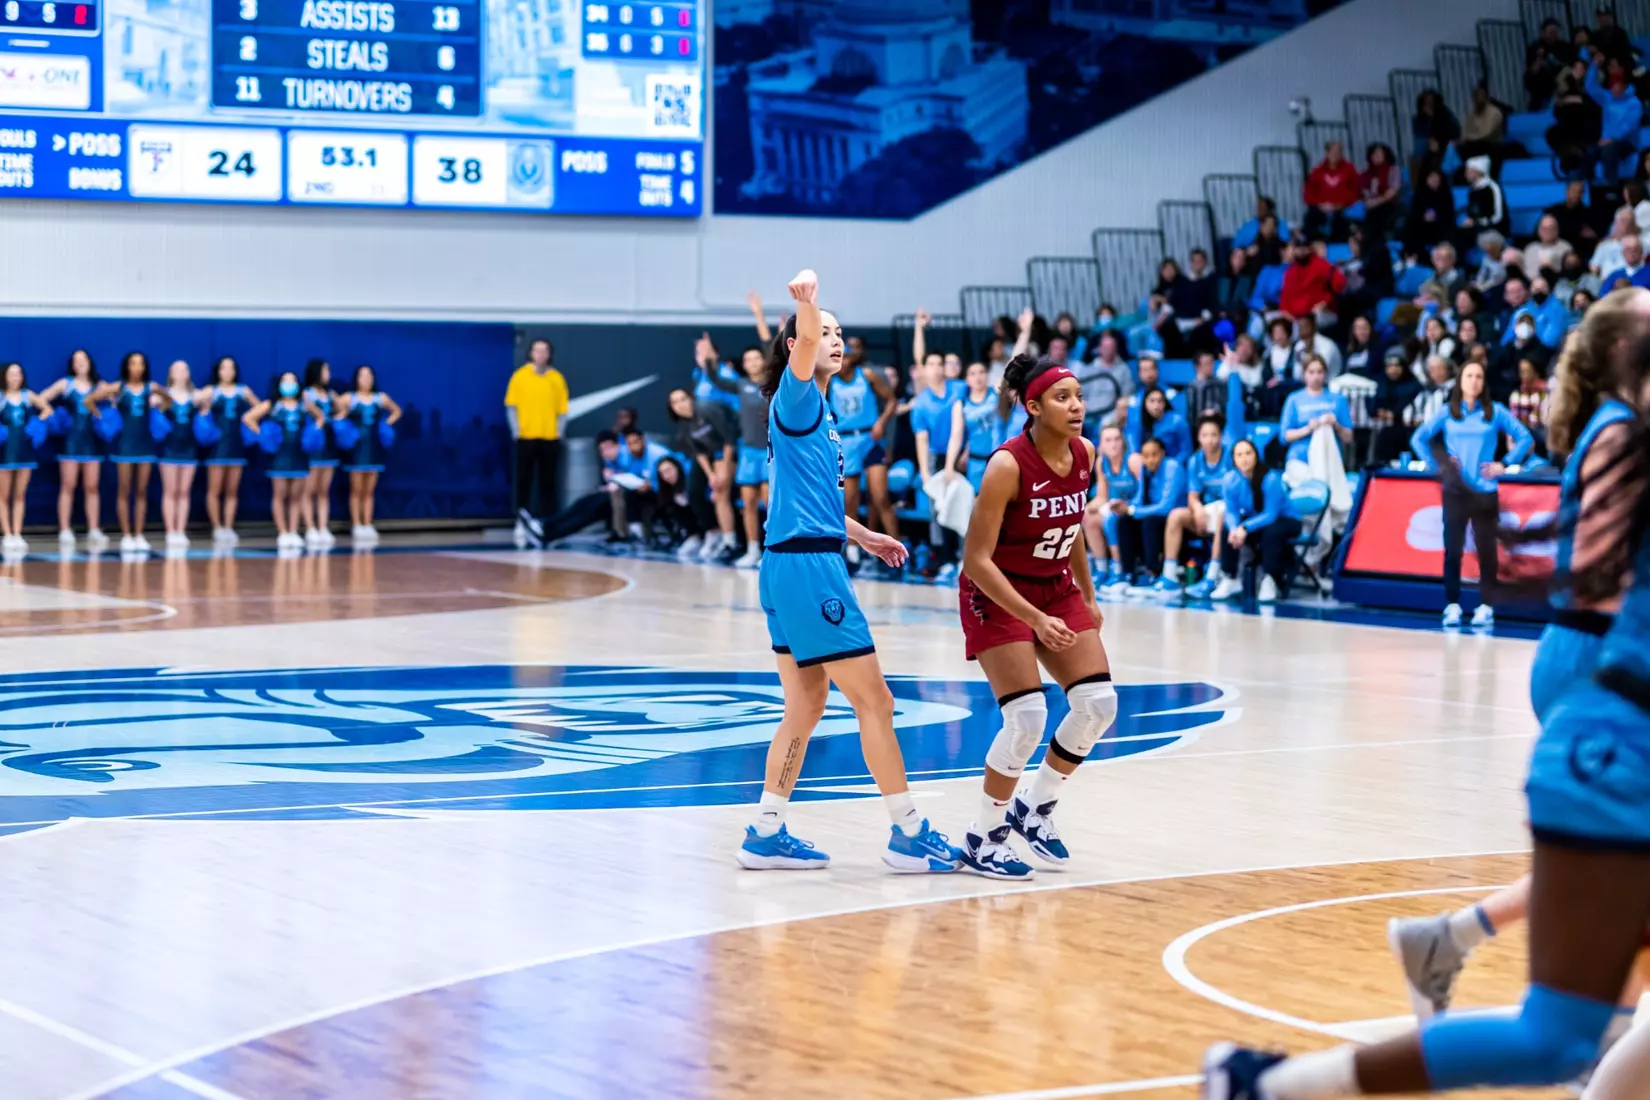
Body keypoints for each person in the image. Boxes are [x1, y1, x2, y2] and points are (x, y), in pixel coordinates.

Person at [1199, 391, 1650, 1100]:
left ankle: (1448, 940)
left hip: (1601, 729)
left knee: (1596, 1029)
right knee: (1560, 1039)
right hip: (1615, 749)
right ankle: (1271, 1086)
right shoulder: (1619, 433)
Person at [1387, 290, 1649, 1038]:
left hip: (1589, 655)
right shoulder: (1621, 433)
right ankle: (1598, 1047)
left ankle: (1451, 939)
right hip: (1597, 661)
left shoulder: (1621, 425)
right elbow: (1598, 569)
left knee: (1614, 860)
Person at [736, 269, 959, 874]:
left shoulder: (821, 413)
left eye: (839, 332)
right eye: (824, 331)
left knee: (805, 708)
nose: (834, 339)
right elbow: (803, 346)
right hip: (809, 572)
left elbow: (817, 503)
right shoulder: (798, 395)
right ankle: (909, 833)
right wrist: (806, 303)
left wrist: (866, 535)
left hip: (790, 562)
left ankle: (765, 830)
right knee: (876, 702)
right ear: (798, 343)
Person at [956, 352, 1112, 879]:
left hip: (1055, 586)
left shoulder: (1086, 453)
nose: (1076, 406)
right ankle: (983, 837)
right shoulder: (1006, 465)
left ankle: (1035, 807)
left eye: (1079, 397)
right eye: (1062, 398)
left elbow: (1071, 532)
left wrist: (1087, 596)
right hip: (995, 590)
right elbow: (976, 560)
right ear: (1033, 405)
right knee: (1026, 719)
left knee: (1098, 705)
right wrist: (1035, 619)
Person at [1410, 360, 1535, 627]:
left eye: (1479, 376)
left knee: (1486, 551)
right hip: (1455, 490)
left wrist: (1506, 463)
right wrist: (1438, 465)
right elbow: (1418, 438)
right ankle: (1452, 604)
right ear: (1460, 380)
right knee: (1453, 550)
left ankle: (1486, 606)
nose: (1474, 381)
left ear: (1483, 382)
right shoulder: (1447, 413)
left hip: (1485, 491)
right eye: (1469, 375)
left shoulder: (1495, 412)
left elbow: (1525, 437)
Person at [829, 332, 899, 569]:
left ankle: (898, 549)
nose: (844, 360)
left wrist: (881, 422)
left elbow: (892, 400)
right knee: (849, 500)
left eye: (847, 356)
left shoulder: (867, 376)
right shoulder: (830, 381)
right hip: (845, 442)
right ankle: (852, 553)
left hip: (869, 438)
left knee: (880, 497)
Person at [1202, 438, 1301, 603]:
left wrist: (1245, 528)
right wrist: (1235, 529)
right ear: (1233, 459)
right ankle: (1231, 578)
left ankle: (1270, 580)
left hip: (1286, 520)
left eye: (1248, 453)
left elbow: (1271, 514)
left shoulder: (1270, 478)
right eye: (1239, 454)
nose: (1244, 458)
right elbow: (1231, 511)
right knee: (1227, 528)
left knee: (1272, 530)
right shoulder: (1230, 480)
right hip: (1257, 520)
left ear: (1256, 455)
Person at [243, 369, 324, 553]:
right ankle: (282, 532)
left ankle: (294, 531)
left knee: (296, 496)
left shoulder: (304, 406)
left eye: (293, 381)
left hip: (299, 455)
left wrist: (313, 433)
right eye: (285, 381)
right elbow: (248, 418)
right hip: (279, 457)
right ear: (279, 385)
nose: (289, 385)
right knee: (280, 495)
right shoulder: (273, 405)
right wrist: (263, 435)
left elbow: (320, 417)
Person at [707, 343, 771, 569]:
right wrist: (709, 359)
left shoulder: (773, 383)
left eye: (756, 358)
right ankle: (752, 549)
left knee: (769, 503)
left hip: (769, 451)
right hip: (748, 452)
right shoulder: (741, 385)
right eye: (748, 360)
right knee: (749, 503)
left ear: (763, 361)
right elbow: (715, 379)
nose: (753, 363)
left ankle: (771, 552)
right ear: (743, 365)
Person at [38, 349, 108, 552]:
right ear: (72, 365)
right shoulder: (65, 384)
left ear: (89, 362)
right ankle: (65, 529)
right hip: (70, 443)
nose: (80, 363)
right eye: (76, 361)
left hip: (92, 442)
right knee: (68, 486)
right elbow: (42, 397)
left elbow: (116, 398)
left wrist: (107, 413)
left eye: (83, 359)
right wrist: (50, 412)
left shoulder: (99, 385)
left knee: (92, 487)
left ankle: (94, 528)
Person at [910, 336, 967, 581]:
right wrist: (924, 473)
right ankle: (943, 559)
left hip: (961, 457)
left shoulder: (959, 389)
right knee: (939, 511)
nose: (935, 368)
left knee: (962, 507)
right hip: (936, 458)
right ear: (924, 368)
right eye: (930, 364)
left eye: (939, 363)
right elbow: (921, 440)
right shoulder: (921, 403)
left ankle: (964, 558)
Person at [505, 337, 569, 549]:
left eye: (545, 351)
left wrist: (558, 433)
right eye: (537, 350)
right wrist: (517, 432)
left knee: (548, 483)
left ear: (549, 354)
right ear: (531, 353)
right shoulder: (520, 377)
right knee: (523, 482)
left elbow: (562, 411)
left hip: (550, 438)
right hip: (526, 438)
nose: (541, 354)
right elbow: (511, 406)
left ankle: (547, 524)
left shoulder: (557, 379)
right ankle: (521, 522)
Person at [1160, 413, 1233, 596]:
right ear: (1199, 438)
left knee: (1222, 513)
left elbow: (1234, 494)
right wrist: (1198, 510)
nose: (1209, 440)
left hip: (1228, 511)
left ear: (1221, 436)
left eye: (1214, 434)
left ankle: (1211, 577)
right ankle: (1169, 576)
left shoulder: (1230, 457)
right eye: (1205, 435)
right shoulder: (1195, 460)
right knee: (1176, 515)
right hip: (1206, 512)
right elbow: (1193, 495)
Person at [98, 351, 158, 556]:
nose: (137, 367)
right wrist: (106, 417)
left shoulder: (152, 388)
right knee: (124, 490)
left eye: (141, 364)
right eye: (133, 363)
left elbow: (168, 401)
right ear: (127, 366)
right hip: (124, 446)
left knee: (141, 490)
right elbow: (90, 400)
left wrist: (159, 410)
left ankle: (139, 534)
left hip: (145, 445)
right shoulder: (118, 388)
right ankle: (125, 535)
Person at [337, 365, 402, 545]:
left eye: (369, 375)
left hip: (374, 448)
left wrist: (385, 424)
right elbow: (334, 410)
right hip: (356, 449)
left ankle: (367, 522)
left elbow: (397, 411)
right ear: (356, 379)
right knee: (356, 489)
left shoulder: (380, 398)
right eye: (362, 375)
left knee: (369, 491)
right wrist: (342, 422)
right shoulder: (350, 398)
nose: (365, 379)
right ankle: (356, 524)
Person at [1110, 436, 1183, 587]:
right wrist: (1125, 506)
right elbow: (1140, 498)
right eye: (1146, 456)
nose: (1150, 460)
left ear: (1163, 453)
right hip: (1154, 514)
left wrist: (1132, 510)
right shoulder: (1145, 469)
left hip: (1174, 516)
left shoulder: (1172, 467)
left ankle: (1152, 573)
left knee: (1150, 521)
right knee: (1124, 520)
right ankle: (1128, 573)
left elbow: (1166, 506)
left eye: (1154, 455)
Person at [202, 356, 256, 546]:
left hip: (236, 445)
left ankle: (228, 526)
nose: (228, 372)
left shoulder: (243, 391)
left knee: (232, 490)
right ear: (218, 371)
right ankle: (216, 527)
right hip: (217, 447)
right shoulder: (211, 391)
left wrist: (251, 422)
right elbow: (190, 402)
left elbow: (260, 408)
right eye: (224, 368)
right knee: (215, 489)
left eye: (231, 368)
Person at [0, 363, 51, 557]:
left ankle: (18, 532)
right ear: (4, 376)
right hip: (4, 452)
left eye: (18, 374)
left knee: (20, 494)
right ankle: (7, 533)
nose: (15, 378)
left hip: (24, 451)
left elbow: (47, 409)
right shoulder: (1, 398)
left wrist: (38, 423)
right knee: (3, 496)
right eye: (11, 374)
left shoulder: (27, 396)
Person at [155, 360, 205, 552]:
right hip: (169, 449)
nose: (182, 372)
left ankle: (180, 530)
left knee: (184, 491)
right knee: (170, 491)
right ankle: (170, 530)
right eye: (177, 369)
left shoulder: (196, 396)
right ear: (171, 373)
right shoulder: (164, 396)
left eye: (185, 368)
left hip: (189, 449)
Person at [1280, 355, 1354, 481]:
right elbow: (1284, 436)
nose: (1316, 376)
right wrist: (1308, 428)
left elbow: (1349, 437)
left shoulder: (1338, 400)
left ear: (1325, 374)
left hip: (1330, 460)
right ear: (1304, 374)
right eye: (1311, 372)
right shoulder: (1294, 399)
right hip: (1300, 459)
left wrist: (1336, 425)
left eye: (1320, 372)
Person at [1083, 423, 1137, 590]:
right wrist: (1084, 508)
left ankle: (1119, 570)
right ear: (1102, 444)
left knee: (1110, 520)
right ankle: (1101, 569)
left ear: (1123, 441)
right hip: (1115, 507)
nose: (1113, 444)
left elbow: (1145, 495)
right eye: (1108, 440)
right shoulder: (1101, 463)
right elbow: (1101, 497)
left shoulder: (1133, 460)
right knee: (1088, 517)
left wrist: (1128, 505)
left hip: (1134, 508)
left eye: (1117, 439)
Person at [300, 358, 340, 550]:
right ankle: (310, 527)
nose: (328, 373)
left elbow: (343, 408)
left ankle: (323, 526)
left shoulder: (331, 394)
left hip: (329, 446)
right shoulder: (306, 394)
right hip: (312, 445)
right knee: (309, 490)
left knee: (324, 491)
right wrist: (318, 415)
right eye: (325, 370)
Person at [1586, 50, 1640, 185]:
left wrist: (1611, 139)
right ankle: (1588, 186)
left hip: (1627, 143)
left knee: (1610, 149)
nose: (1615, 89)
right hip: (1607, 142)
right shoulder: (1607, 97)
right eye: (1612, 85)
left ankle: (1612, 186)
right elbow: (1590, 87)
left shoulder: (1634, 102)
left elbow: (1629, 126)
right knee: (1590, 151)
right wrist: (1594, 65)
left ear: (1624, 85)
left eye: (1618, 85)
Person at [948, 361, 998, 493]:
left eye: (982, 372)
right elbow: (955, 436)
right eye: (972, 373)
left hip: (1000, 460)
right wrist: (949, 467)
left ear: (988, 375)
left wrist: (1023, 338)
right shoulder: (961, 404)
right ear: (966, 379)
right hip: (976, 461)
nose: (978, 377)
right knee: (977, 505)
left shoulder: (997, 394)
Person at [1280, 237, 1346, 326]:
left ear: (1310, 249)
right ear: (1294, 250)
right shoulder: (1289, 273)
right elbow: (1284, 299)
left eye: (1304, 248)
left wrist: (1326, 302)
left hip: (1320, 314)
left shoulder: (1321, 265)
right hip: (1296, 319)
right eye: (1298, 248)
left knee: (1312, 321)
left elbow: (1340, 282)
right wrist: (1285, 313)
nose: (1301, 251)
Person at [1127, 387, 1192, 463]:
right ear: (1145, 403)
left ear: (1164, 403)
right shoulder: (1140, 423)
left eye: (1160, 401)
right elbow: (1135, 449)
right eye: (1152, 401)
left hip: (1174, 465)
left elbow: (1187, 451)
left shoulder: (1178, 421)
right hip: (1150, 465)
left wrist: (1172, 464)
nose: (1156, 405)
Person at [1410, 89, 1460, 182]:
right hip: (1428, 144)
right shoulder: (1418, 119)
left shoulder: (1445, 114)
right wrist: (1429, 120)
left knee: (1447, 154)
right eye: (1426, 103)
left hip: (1445, 142)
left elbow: (1454, 132)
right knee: (1417, 152)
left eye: (1431, 102)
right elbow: (1420, 135)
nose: (1428, 106)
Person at [1404, 169, 1456, 257]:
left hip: (1440, 223)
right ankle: (1411, 256)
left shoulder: (1446, 194)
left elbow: (1449, 213)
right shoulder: (1420, 193)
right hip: (1422, 223)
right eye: (1431, 178)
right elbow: (1415, 210)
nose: (1433, 181)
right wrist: (1423, 216)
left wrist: (1436, 217)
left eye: (1436, 179)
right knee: (1411, 225)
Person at [1458, 156, 1509, 246]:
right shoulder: (1472, 189)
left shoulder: (1493, 187)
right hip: (1476, 228)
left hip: (1494, 229)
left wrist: (1478, 222)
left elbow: (1498, 216)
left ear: (1478, 171)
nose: (1466, 174)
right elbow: (1472, 212)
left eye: (1468, 170)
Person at [1524, 215, 1575, 282]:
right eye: (1544, 228)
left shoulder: (1565, 247)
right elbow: (1526, 271)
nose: (1547, 231)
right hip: (1532, 285)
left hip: (1558, 283)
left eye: (1550, 228)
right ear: (1538, 230)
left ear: (1557, 230)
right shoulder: (1530, 248)